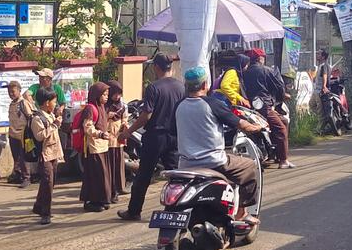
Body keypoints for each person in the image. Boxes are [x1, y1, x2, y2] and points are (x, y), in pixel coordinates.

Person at [174, 67, 263, 222]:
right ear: (204, 85)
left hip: (185, 164)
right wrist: (258, 127)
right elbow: (242, 125)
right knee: (250, 166)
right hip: (214, 162)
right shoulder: (213, 104)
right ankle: (242, 212)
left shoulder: (179, 106)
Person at [118, 54, 184, 221]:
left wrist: (128, 131)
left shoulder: (154, 88)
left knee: (144, 175)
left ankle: (134, 211)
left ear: (156, 67)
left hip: (155, 137)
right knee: (176, 176)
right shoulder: (181, 87)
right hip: (175, 137)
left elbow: (146, 115)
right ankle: (175, 210)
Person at [242, 48, 293, 169]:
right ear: (260, 58)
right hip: (264, 107)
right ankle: (283, 161)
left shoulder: (245, 72)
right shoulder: (266, 70)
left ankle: (274, 154)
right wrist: (283, 96)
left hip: (251, 107)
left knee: (284, 121)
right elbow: (279, 87)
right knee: (281, 129)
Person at [78, 82, 114, 212]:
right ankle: (91, 201)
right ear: (97, 95)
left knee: (103, 175)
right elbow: (87, 127)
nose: (106, 97)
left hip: (103, 146)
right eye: (103, 94)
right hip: (93, 148)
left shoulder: (102, 107)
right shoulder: (90, 108)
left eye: (107, 95)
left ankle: (102, 199)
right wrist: (100, 134)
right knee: (96, 175)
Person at [29, 87, 64, 224]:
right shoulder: (37, 118)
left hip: (54, 152)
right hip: (45, 154)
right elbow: (40, 136)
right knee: (48, 182)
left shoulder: (51, 115)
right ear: (46, 102)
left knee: (49, 182)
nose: (55, 104)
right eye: (54, 101)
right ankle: (46, 213)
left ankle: (38, 205)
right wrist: (54, 125)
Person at [5, 80, 35, 186]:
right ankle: (17, 175)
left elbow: (31, 117)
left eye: (13, 91)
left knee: (24, 158)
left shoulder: (24, 103)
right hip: (13, 135)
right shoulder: (12, 104)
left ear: (19, 91)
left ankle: (26, 178)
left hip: (23, 135)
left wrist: (29, 134)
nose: (11, 94)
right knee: (16, 157)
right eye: (9, 92)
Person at [105, 81, 128, 201]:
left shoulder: (122, 105)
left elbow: (125, 118)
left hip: (118, 139)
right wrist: (108, 115)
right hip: (107, 140)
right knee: (110, 165)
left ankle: (119, 188)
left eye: (119, 94)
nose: (117, 97)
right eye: (115, 94)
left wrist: (124, 124)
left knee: (118, 164)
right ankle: (111, 191)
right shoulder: (104, 105)